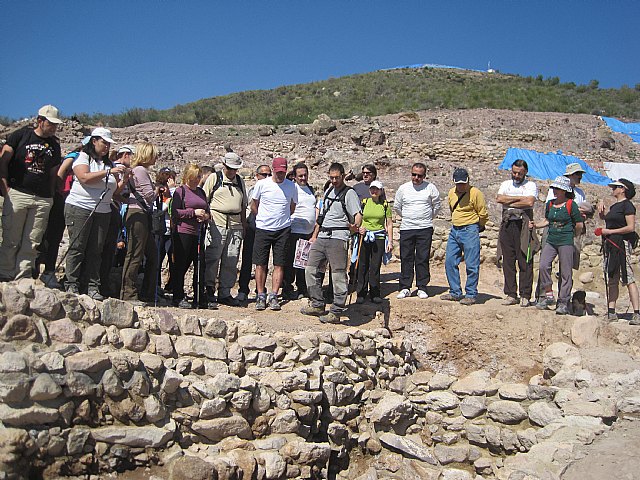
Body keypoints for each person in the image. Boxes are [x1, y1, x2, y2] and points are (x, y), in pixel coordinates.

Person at [0, 105, 63, 281]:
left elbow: (53, 173)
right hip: (18, 192)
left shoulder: (54, 145)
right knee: (12, 238)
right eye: (51, 124)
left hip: (42, 198)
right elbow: (3, 161)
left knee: (32, 241)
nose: (54, 128)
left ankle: (23, 277)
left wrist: (50, 196)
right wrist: (6, 189)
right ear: (40, 121)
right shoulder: (20, 136)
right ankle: (5, 274)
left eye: (56, 125)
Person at [64, 128, 128, 298]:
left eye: (108, 144)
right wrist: (108, 172)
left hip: (103, 210)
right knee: (78, 246)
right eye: (104, 143)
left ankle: (92, 286)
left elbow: (113, 191)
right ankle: (71, 283)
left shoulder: (109, 164)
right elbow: (84, 177)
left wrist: (124, 179)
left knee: (96, 249)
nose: (107, 147)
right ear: (94, 141)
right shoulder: (83, 158)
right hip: (80, 207)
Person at [301, 162, 362, 323]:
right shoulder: (328, 191)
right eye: (331, 177)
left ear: (343, 176)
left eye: (336, 178)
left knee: (338, 274)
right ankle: (317, 303)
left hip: (338, 236)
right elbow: (321, 216)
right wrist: (315, 235)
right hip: (323, 235)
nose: (334, 181)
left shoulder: (349, 193)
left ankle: (336, 310)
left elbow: (357, 214)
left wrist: (354, 227)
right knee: (310, 269)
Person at [531, 176, 583, 315]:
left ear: (564, 191)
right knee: (543, 265)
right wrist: (536, 225)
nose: (555, 191)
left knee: (566, 272)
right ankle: (548, 294)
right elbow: (547, 220)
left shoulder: (571, 205)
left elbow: (579, 224)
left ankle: (563, 301)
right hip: (552, 239)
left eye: (558, 189)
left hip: (566, 240)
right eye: (554, 188)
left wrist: (573, 236)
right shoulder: (550, 204)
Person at [250, 157, 298, 311]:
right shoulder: (262, 184)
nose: (280, 175)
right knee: (260, 263)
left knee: (279, 263)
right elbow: (254, 205)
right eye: (278, 172)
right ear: (273, 170)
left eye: (283, 172)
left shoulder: (291, 186)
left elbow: (292, 206)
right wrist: (262, 218)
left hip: (282, 229)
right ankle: (260, 294)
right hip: (263, 228)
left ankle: (274, 295)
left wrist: (282, 219)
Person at [203, 152, 247, 306]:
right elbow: (204, 200)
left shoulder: (240, 182)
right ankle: (209, 289)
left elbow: (243, 206)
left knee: (231, 259)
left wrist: (243, 226)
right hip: (217, 223)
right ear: (224, 166)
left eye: (235, 169)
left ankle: (225, 292)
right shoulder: (214, 179)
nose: (232, 172)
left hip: (235, 226)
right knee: (213, 257)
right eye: (230, 168)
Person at [393, 162, 441, 299]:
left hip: (424, 228)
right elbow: (397, 206)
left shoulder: (431, 188)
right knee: (406, 257)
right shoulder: (403, 188)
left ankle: (422, 286)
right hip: (407, 228)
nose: (416, 178)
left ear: (424, 176)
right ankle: (405, 287)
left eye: (419, 175)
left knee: (422, 258)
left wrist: (426, 218)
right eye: (414, 174)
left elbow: (436, 206)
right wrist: (408, 217)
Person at [441, 168, 489, 305]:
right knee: (450, 261)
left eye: (464, 183)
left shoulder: (476, 193)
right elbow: (452, 209)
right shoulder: (451, 192)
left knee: (471, 264)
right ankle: (455, 292)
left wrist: (476, 227)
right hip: (455, 229)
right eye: (458, 183)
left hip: (470, 229)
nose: (461, 186)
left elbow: (483, 213)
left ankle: (471, 293)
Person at [121, 142, 160, 305]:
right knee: (135, 254)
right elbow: (149, 196)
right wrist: (158, 189)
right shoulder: (141, 171)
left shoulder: (135, 171)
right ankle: (129, 293)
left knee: (151, 254)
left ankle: (147, 292)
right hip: (138, 213)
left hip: (139, 213)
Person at [37, 145, 81, 289]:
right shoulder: (75, 157)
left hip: (65, 200)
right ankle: (38, 270)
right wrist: (57, 193)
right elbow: (60, 175)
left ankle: (48, 270)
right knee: (46, 236)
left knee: (54, 237)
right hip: (60, 198)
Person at [597, 178, 640, 324]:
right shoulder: (615, 207)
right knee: (612, 276)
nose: (613, 189)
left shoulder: (627, 206)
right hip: (612, 245)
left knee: (627, 276)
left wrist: (609, 231)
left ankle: (636, 313)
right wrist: (602, 215)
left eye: (616, 187)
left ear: (623, 189)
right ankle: (611, 311)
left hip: (622, 244)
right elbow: (610, 222)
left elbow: (630, 227)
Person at [496, 159, 538, 307]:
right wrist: (520, 199)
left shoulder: (531, 185)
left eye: (519, 173)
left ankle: (525, 294)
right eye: (514, 172)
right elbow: (500, 199)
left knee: (525, 260)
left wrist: (510, 202)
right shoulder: (505, 184)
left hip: (523, 225)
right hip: (508, 224)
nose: (516, 175)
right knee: (508, 260)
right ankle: (510, 293)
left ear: (525, 172)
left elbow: (529, 203)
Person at [170, 164, 211, 309]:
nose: (196, 180)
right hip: (183, 232)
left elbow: (207, 210)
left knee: (200, 264)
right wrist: (193, 213)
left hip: (198, 232)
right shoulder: (180, 191)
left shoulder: (200, 192)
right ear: (187, 176)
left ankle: (199, 296)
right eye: (194, 177)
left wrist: (205, 216)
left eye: (199, 177)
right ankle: (178, 296)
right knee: (181, 264)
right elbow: (175, 212)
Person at [99, 145, 136, 298]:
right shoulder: (115, 169)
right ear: (126, 154)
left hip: (117, 209)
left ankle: (104, 282)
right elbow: (115, 193)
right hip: (110, 208)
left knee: (109, 249)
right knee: (105, 247)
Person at [282, 162, 316, 300]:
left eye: (305, 175)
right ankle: (287, 288)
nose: (303, 178)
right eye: (300, 175)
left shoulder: (310, 189)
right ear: (294, 176)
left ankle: (302, 287)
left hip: (308, 231)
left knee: (304, 261)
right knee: (290, 261)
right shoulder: (292, 188)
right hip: (294, 230)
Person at [238, 164, 271, 302]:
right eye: (264, 174)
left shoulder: (272, 189)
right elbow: (250, 206)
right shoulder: (253, 190)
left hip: (267, 226)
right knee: (247, 258)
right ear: (257, 176)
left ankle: (260, 289)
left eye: (269, 174)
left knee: (263, 260)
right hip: (253, 224)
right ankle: (243, 289)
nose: (267, 177)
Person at [355, 180, 393, 304]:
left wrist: (390, 242)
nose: (374, 191)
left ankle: (375, 293)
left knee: (375, 266)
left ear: (381, 191)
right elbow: (359, 219)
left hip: (379, 237)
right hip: (365, 236)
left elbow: (389, 224)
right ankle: (361, 293)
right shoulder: (364, 203)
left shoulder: (385, 205)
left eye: (376, 189)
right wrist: (358, 228)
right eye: (372, 189)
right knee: (362, 265)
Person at [154, 167, 176, 295]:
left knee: (174, 261)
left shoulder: (174, 194)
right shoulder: (157, 195)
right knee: (157, 260)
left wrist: (172, 192)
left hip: (172, 231)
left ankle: (172, 286)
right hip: (160, 231)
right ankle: (156, 286)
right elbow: (158, 210)